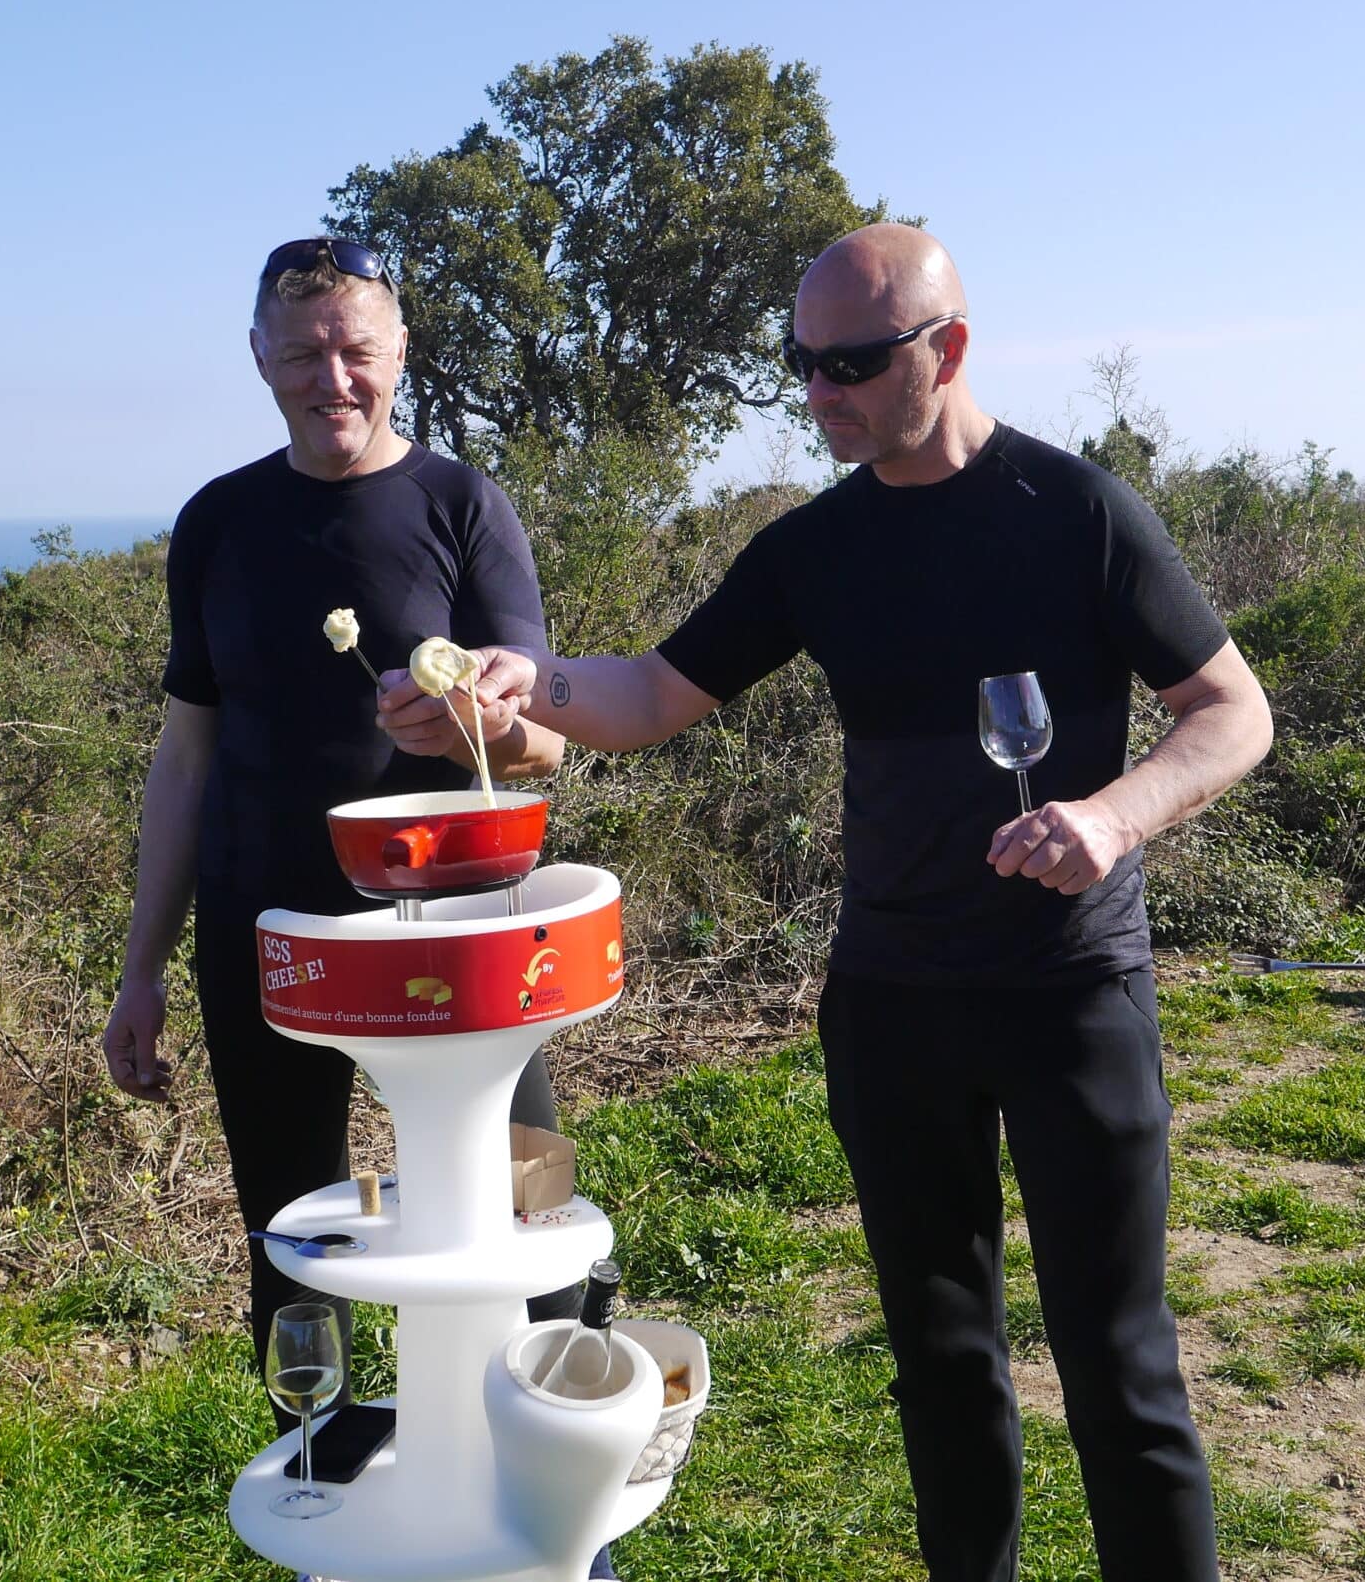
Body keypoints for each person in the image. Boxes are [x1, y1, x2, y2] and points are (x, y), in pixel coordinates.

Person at [392, 223, 1274, 1582]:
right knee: (938, 1354)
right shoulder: (817, 546)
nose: (820, 394)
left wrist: (1110, 815)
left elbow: (1233, 711)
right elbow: (648, 692)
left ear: (950, 348)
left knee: (1118, 1357)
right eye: (801, 365)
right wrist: (522, 685)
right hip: (894, 999)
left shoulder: (1078, 510)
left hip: (1069, 991)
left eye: (852, 364)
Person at [101, 238, 584, 1409]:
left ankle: (556, 1451)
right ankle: (322, 1477)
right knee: (292, 1230)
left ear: (400, 352)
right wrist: (141, 972)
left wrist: (477, 721)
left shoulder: (461, 503)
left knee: (520, 1200)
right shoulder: (217, 521)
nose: (335, 379)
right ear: (260, 359)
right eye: (306, 352)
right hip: (269, 923)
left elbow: (548, 743)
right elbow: (186, 756)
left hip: (450, 928)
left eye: (358, 350)